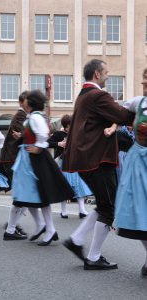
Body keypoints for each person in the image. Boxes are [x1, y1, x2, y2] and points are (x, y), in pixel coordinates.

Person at [62, 59, 135, 270]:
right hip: (97, 160)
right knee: (109, 208)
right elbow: (121, 115)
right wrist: (138, 103)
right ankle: (93, 257)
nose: (108, 76)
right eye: (106, 72)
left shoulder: (84, 95)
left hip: (86, 159)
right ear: (97, 74)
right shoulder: (98, 95)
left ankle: (76, 239)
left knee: (105, 204)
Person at [8, 90, 74, 245]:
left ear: (29, 103)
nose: (22, 101)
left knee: (40, 194)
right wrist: (22, 136)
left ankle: (49, 229)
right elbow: (35, 133)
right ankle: (44, 227)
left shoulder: (36, 117)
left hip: (35, 159)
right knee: (33, 195)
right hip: (29, 158)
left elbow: (44, 133)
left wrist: (38, 147)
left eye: (25, 100)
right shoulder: (32, 117)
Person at [114, 68, 147, 277]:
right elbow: (117, 112)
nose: (145, 82)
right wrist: (111, 125)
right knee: (138, 208)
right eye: (144, 78)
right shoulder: (138, 102)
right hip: (137, 161)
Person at [1, 91, 46, 240]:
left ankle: (38, 225)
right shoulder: (28, 116)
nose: (23, 102)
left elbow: (38, 134)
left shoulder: (30, 117)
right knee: (25, 193)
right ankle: (11, 228)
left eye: (26, 100)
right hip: (23, 158)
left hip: (23, 157)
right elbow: (43, 134)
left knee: (28, 193)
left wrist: (22, 137)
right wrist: (38, 146)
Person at [48, 114, 91, 219]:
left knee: (79, 186)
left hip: (76, 163)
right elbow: (47, 143)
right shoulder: (59, 134)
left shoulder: (78, 133)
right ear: (65, 126)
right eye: (70, 126)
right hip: (63, 163)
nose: (72, 127)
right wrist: (59, 144)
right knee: (64, 186)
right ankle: (63, 211)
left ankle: (82, 210)